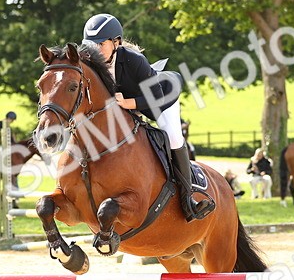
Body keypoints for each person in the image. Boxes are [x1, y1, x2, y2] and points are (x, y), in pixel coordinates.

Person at [79, 13, 214, 221]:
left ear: (117, 42)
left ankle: (189, 200)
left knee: (173, 137)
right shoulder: (89, 63)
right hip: (127, 103)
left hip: (161, 97)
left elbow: (157, 97)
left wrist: (128, 103)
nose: (94, 51)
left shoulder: (133, 60)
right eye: (90, 45)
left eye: (100, 44)